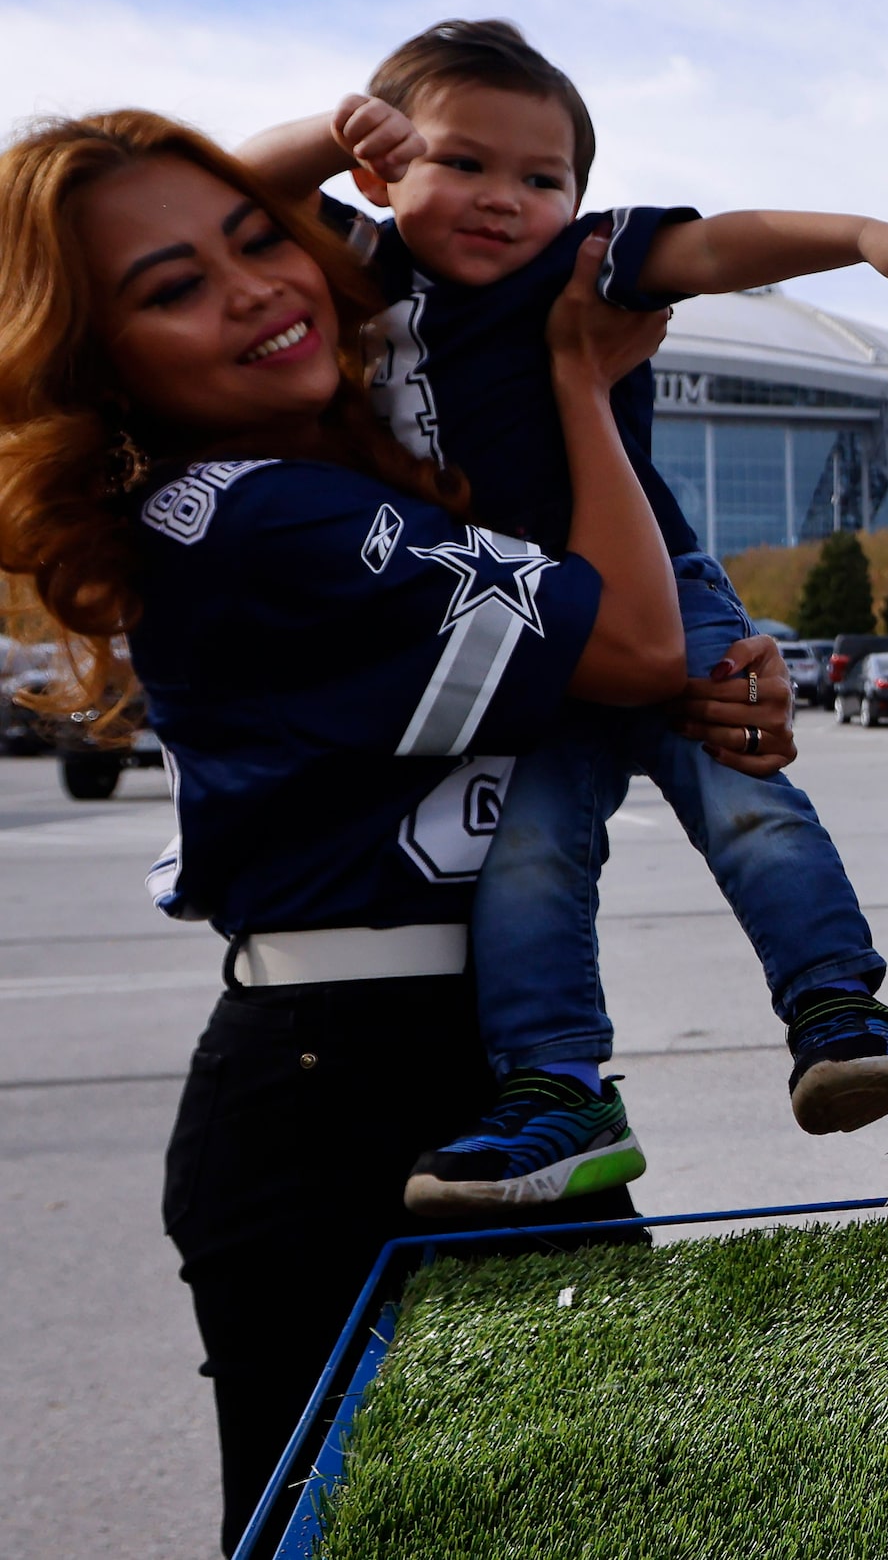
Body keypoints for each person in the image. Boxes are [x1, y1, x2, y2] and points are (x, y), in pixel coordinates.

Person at [0, 110, 793, 1549]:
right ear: (98, 360)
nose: (256, 287)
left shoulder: (334, 483)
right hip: (352, 1087)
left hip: (461, 1061)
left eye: (260, 238)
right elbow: (624, 640)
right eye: (172, 289)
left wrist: (713, 681)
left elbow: (622, 678)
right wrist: (576, 384)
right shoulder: (263, 514)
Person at [237, 20, 888, 1209]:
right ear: (386, 176)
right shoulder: (362, 270)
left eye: (542, 178)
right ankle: (555, 1087)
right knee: (529, 854)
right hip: (521, 634)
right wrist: (330, 133)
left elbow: (716, 246)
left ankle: (837, 1007)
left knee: (740, 792)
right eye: (462, 163)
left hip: (658, 591)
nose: (504, 199)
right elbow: (227, 199)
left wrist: (868, 239)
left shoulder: (578, 269)